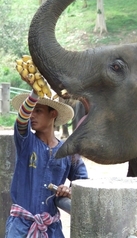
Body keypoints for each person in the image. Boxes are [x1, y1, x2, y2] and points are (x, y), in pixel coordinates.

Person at [5, 89, 88, 238]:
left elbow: (83, 182)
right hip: (20, 228)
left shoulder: (68, 152)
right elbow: (21, 120)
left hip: (51, 229)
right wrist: (35, 94)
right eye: (31, 110)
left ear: (53, 114)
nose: (32, 115)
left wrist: (69, 190)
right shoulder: (26, 142)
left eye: (38, 111)